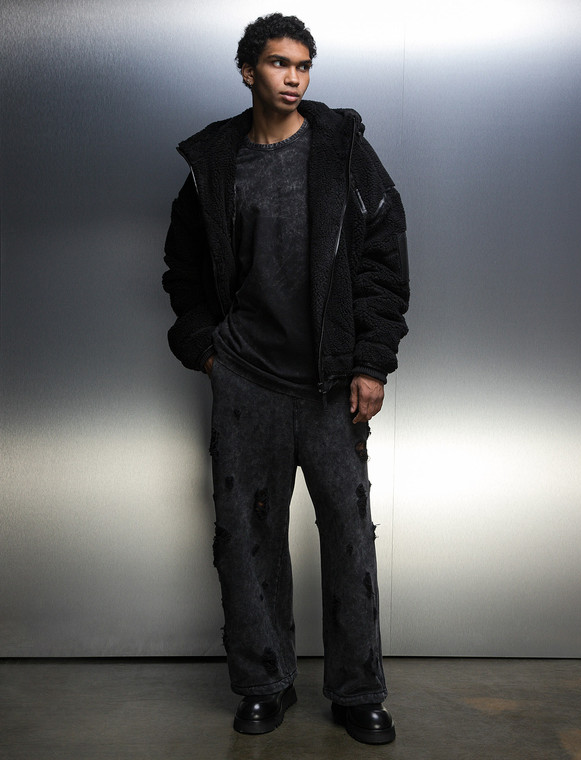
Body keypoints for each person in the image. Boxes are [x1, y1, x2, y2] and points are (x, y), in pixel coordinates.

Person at [163, 13, 409, 745]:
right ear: (248, 70)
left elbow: (383, 257)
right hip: (246, 380)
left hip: (330, 385)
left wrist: (371, 362)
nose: (294, 77)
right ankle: (264, 683)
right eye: (279, 63)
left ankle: (358, 692)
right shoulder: (214, 164)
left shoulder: (342, 152)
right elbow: (183, 270)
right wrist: (208, 352)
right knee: (247, 537)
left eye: (304, 65)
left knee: (349, 538)